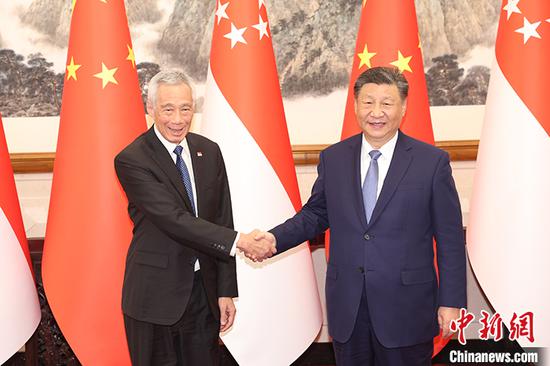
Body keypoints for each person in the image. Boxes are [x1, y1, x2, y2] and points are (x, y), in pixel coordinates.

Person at [256, 66, 466, 366]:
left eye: (386, 103)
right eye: (368, 102)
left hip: (406, 308)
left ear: (403, 107)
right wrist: (274, 237)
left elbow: (449, 239)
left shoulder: (432, 162)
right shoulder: (334, 158)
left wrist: (452, 301)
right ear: (355, 106)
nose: (376, 112)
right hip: (349, 308)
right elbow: (316, 214)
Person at [114, 69, 274, 365]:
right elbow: (173, 219)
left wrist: (225, 290)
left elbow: (222, 217)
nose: (178, 119)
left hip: (203, 293)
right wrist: (241, 242)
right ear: (151, 109)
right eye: (168, 109)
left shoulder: (208, 151)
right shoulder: (132, 159)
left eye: (186, 108)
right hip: (155, 297)